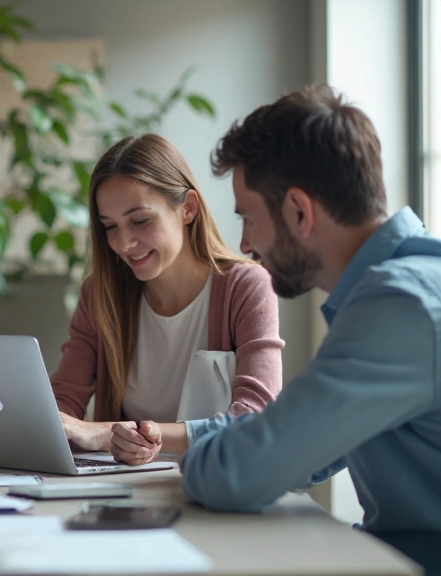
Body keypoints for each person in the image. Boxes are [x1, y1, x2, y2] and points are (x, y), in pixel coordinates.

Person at [173, 85, 441, 573]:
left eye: (248, 219)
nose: (245, 244)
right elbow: (305, 444)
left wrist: (204, 458)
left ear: (298, 211)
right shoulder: (408, 286)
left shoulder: (399, 306)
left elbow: (237, 474)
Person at [49, 134, 284, 464]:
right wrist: (54, 425)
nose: (125, 242)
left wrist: (105, 432)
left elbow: (256, 419)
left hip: (214, 492)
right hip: (122, 491)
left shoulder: (245, 287)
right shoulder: (99, 293)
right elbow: (62, 404)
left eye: (140, 220)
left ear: (187, 208)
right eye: (110, 227)